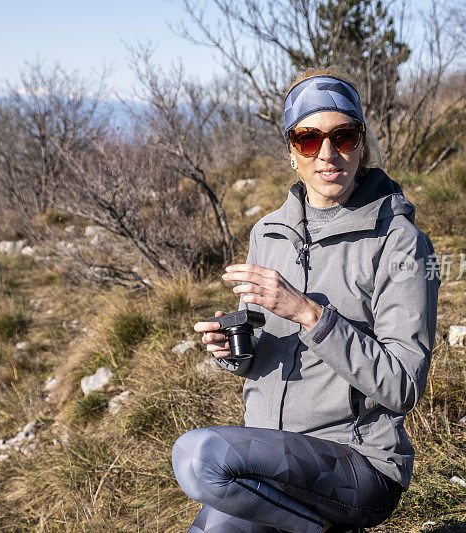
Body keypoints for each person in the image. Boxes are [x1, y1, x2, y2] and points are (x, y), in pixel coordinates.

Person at [172, 67, 440, 533]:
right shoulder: (268, 233)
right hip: (273, 453)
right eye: (308, 139)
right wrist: (233, 352)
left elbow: (403, 385)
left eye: (344, 136)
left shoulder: (399, 242)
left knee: (199, 456)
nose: (328, 154)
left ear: (362, 143)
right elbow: (262, 357)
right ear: (291, 151)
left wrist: (307, 313)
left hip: (358, 463)